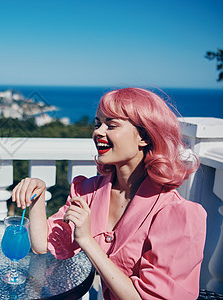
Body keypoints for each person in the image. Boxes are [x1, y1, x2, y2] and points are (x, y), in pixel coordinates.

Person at [12, 87, 207, 299]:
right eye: (98, 124)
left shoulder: (178, 215)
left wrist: (86, 239)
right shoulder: (90, 192)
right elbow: (43, 245)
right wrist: (38, 196)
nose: (98, 132)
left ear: (144, 137)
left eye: (111, 125)